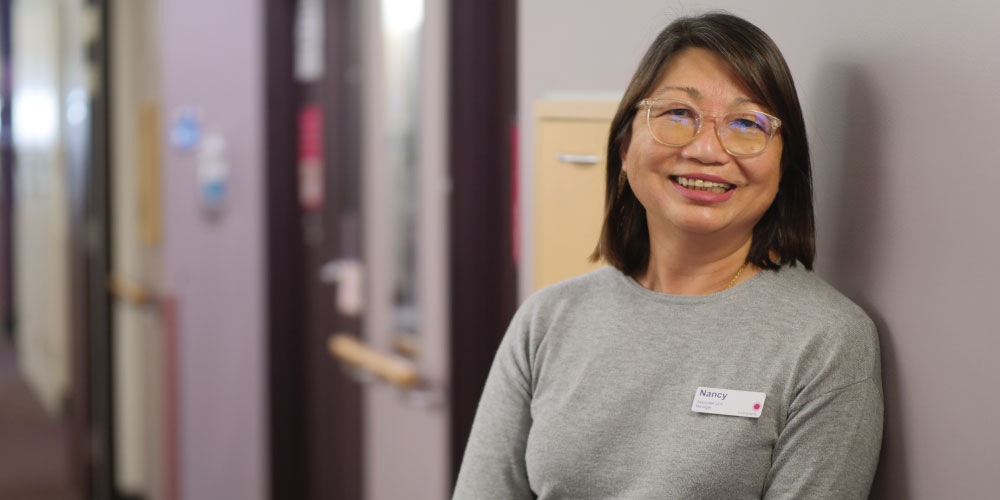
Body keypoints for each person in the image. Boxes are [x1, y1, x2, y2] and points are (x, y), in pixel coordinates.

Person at [453, 12, 883, 500]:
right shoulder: (546, 321)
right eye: (678, 113)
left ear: (784, 166)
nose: (706, 149)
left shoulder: (826, 341)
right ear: (624, 145)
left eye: (746, 123)